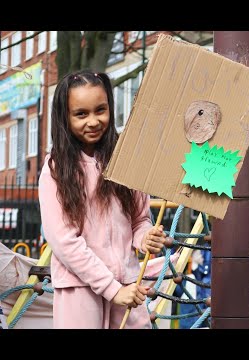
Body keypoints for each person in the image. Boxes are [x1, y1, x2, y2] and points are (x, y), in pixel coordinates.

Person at [38, 70, 166, 329]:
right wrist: (112, 289)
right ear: (65, 117)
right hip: (80, 289)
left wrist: (145, 238)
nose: (94, 121)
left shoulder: (125, 160)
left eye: (101, 110)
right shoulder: (55, 169)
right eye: (81, 114)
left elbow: (139, 219)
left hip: (128, 285)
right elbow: (64, 241)